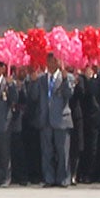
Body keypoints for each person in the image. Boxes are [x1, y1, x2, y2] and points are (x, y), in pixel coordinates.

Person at [33, 53, 77, 187]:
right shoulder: (41, 79)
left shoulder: (67, 77)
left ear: (59, 62)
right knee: (47, 151)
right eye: (49, 61)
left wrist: (64, 80)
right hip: (45, 119)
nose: (51, 64)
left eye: (54, 61)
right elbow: (34, 97)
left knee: (62, 151)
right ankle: (49, 178)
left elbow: (69, 94)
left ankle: (63, 178)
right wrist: (34, 82)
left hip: (61, 119)